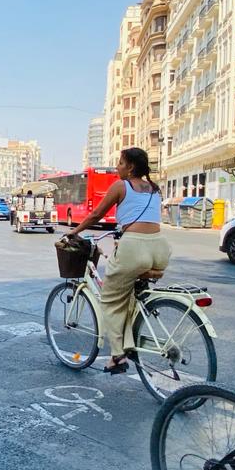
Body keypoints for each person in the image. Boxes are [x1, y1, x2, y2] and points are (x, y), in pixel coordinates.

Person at [61, 147, 170, 374]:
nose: (117, 167)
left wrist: (74, 232)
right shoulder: (154, 188)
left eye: (120, 163)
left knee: (109, 300)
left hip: (135, 248)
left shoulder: (121, 186)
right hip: (160, 249)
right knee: (127, 296)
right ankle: (129, 341)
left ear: (130, 167)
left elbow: (96, 215)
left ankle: (118, 356)